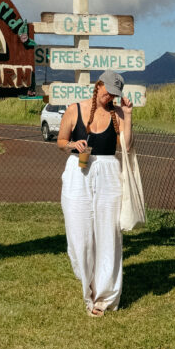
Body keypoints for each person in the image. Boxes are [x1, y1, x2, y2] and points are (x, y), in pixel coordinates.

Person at [57, 69, 133, 316]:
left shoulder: (117, 113)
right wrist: (72, 144)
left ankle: (103, 297)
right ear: (99, 84)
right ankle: (86, 286)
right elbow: (60, 140)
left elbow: (128, 146)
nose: (110, 97)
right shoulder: (75, 109)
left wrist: (128, 115)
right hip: (78, 173)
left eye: (115, 94)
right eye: (108, 91)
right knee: (79, 234)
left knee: (108, 234)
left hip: (108, 174)